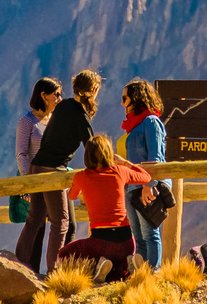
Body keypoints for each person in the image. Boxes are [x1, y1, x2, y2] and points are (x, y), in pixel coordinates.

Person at [17, 69, 101, 273]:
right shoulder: (80, 115)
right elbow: (92, 147)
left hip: (38, 167)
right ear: (93, 90)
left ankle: (19, 264)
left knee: (35, 218)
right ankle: (55, 271)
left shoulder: (62, 107)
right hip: (53, 170)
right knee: (61, 222)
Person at [56, 134, 156, 280]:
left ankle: (100, 263)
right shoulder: (120, 171)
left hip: (101, 243)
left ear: (87, 155)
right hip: (127, 242)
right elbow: (146, 177)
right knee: (118, 276)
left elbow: (72, 196)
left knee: (63, 254)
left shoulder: (81, 177)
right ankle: (128, 263)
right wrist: (125, 163)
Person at [121, 79, 168, 269]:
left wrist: (149, 185)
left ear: (137, 98)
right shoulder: (133, 125)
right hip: (131, 187)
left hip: (146, 186)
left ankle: (154, 275)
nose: (122, 103)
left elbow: (155, 156)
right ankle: (140, 277)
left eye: (125, 98)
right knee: (138, 236)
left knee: (150, 234)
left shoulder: (151, 121)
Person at [17, 77, 61, 175]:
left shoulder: (57, 120)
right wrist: (28, 179)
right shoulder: (27, 121)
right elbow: (21, 154)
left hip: (56, 177)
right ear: (44, 96)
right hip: (36, 178)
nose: (60, 99)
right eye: (56, 95)